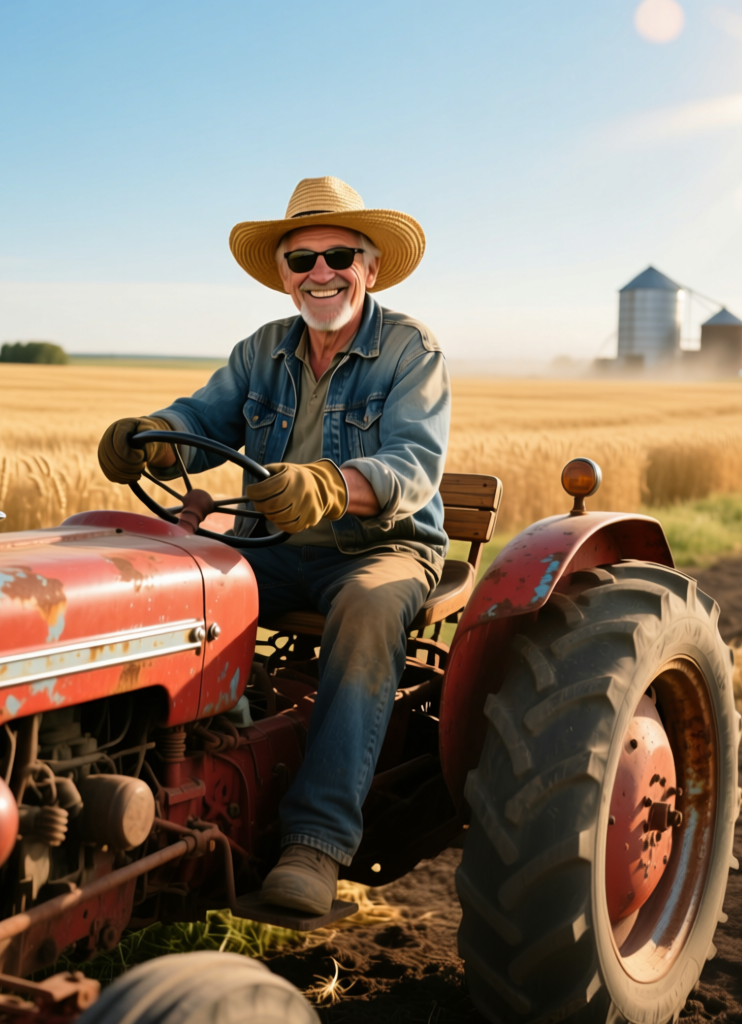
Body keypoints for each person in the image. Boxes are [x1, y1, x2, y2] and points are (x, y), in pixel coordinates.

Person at [98, 176, 451, 915]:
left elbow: (414, 466)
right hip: (277, 544)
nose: (321, 273)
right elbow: (203, 418)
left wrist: (331, 485)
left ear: (370, 266)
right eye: (302, 260)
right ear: (284, 276)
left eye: (339, 256)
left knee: (364, 610)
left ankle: (315, 845)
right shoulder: (262, 350)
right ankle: (181, 778)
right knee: (175, 584)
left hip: (379, 548)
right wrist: (153, 443)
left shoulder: (409, 349)